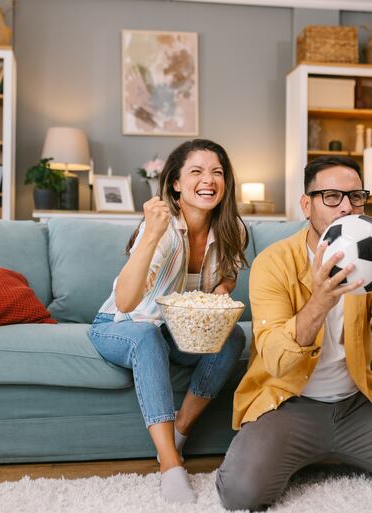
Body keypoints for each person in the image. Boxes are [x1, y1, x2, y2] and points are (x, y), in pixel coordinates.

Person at [216, 156, 372, 510]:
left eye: (356, 197)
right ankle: (296, 454)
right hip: (287, 406)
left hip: (356, 407)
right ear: (306, 204)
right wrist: (320, 300)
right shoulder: (273, 262)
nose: (347, 207)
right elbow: (276, 359)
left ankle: (343, 451)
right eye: (332, 197)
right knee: (240, 495)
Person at [89, 139, 247, 504]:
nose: (209, 179)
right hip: (120, 324)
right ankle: (171, 465)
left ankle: (180, 432)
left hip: (174, 332)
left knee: (232, 336)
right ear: (175, 184)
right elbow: (128, 301)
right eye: (197, 171)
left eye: (217, 172)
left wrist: (222, 288)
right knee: (146, 335)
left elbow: (229, 275)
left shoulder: (230, 229)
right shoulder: (161, 229)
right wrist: (151, 233)